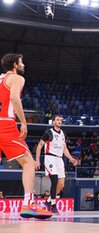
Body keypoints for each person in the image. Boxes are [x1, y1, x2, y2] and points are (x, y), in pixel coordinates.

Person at [0, 53, 52, 219]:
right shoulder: (16, 78)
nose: (24, 65)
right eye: (21, 62)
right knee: (28, 162)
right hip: (5, 124)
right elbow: (15, 98)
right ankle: (29, 203)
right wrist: (23, 122)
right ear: (15, 64)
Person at [35, 115, 78, 213]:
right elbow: (39, 146)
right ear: (53, 122)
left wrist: (71, 159)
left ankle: (48, 201)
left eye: (60, 120)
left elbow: (65, 149)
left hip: (59, 159)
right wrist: (37, 160)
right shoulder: (48, 132)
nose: (59, 121)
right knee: (54, 180)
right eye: (57, 120)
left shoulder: (62, 133)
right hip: (50, 157)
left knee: (61, 184)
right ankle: (53, 205)